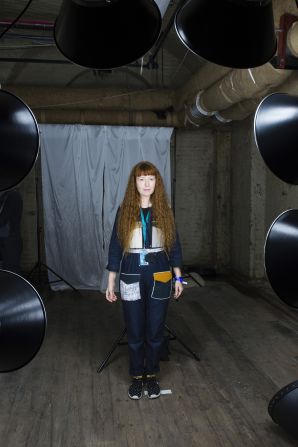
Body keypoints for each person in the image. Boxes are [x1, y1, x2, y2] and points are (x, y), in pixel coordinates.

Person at [106, 161, 183, 400]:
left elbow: (175, 247)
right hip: (130, 271)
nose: (146, 184)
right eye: (141, 179)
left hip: (160, 271)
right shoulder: (125, 210)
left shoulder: (164, 210)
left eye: (151, 179)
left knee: (155, 328)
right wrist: (110, 283)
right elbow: (115, 248)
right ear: (135, 183)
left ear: (157, 183)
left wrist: (179, 278)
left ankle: (152, 375)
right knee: (136, 327)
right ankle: (137, 377)